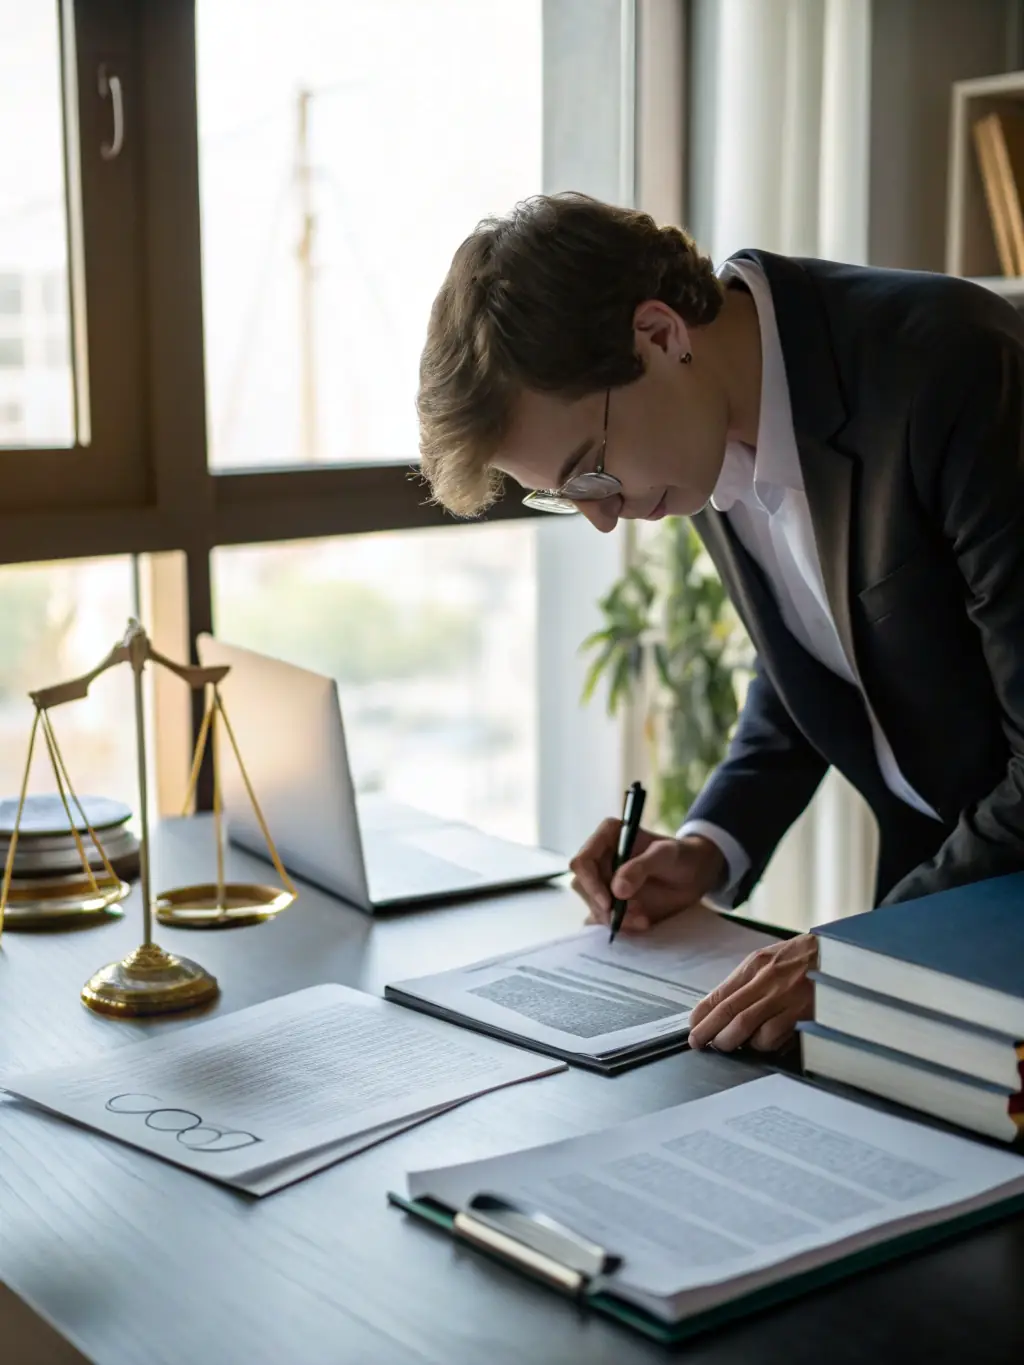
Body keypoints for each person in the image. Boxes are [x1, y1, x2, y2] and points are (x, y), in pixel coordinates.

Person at [416, 192, 1024, 1053]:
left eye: (589, 472)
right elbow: (820, 647)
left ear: (660, 334)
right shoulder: (693, 420)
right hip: (939, 892)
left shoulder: (948, 363)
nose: (600, 516)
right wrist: (710, 844)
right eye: (565, 495)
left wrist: (865, 953)